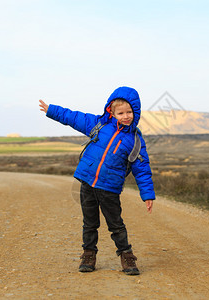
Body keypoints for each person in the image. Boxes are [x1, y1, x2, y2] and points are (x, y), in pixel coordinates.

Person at [39, 86, 155, 275]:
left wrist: (147, 194)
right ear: (111, 111)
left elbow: (142, 169)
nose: (125, 116)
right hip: (87, 182)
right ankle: (88, 255)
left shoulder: (134, 140)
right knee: (90, 223)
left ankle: (127, 257)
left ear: (136, 112)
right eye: (121, 113)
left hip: (110, 188)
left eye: (129, 112)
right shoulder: (98, 124)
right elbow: (74, 118)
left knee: (116, 224)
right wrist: (52, 110)